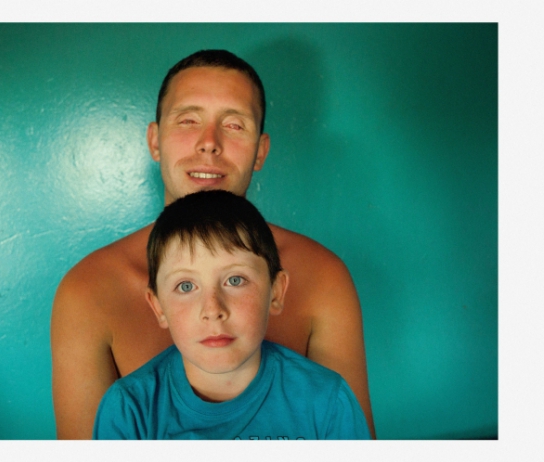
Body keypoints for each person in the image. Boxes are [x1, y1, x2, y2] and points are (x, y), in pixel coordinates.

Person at [51, 49, 375, 439]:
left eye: (234, 125)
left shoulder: (323, 276)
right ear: (155, 141)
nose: (209, 143)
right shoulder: (88, 291)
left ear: (261, 151)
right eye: (188, 120)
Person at [93, 190, 371, 440]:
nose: (213, 310)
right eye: (186, 286)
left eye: (235, 280)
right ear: (158, 307)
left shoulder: (327, 402)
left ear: (275, 292)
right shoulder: (128, 410)